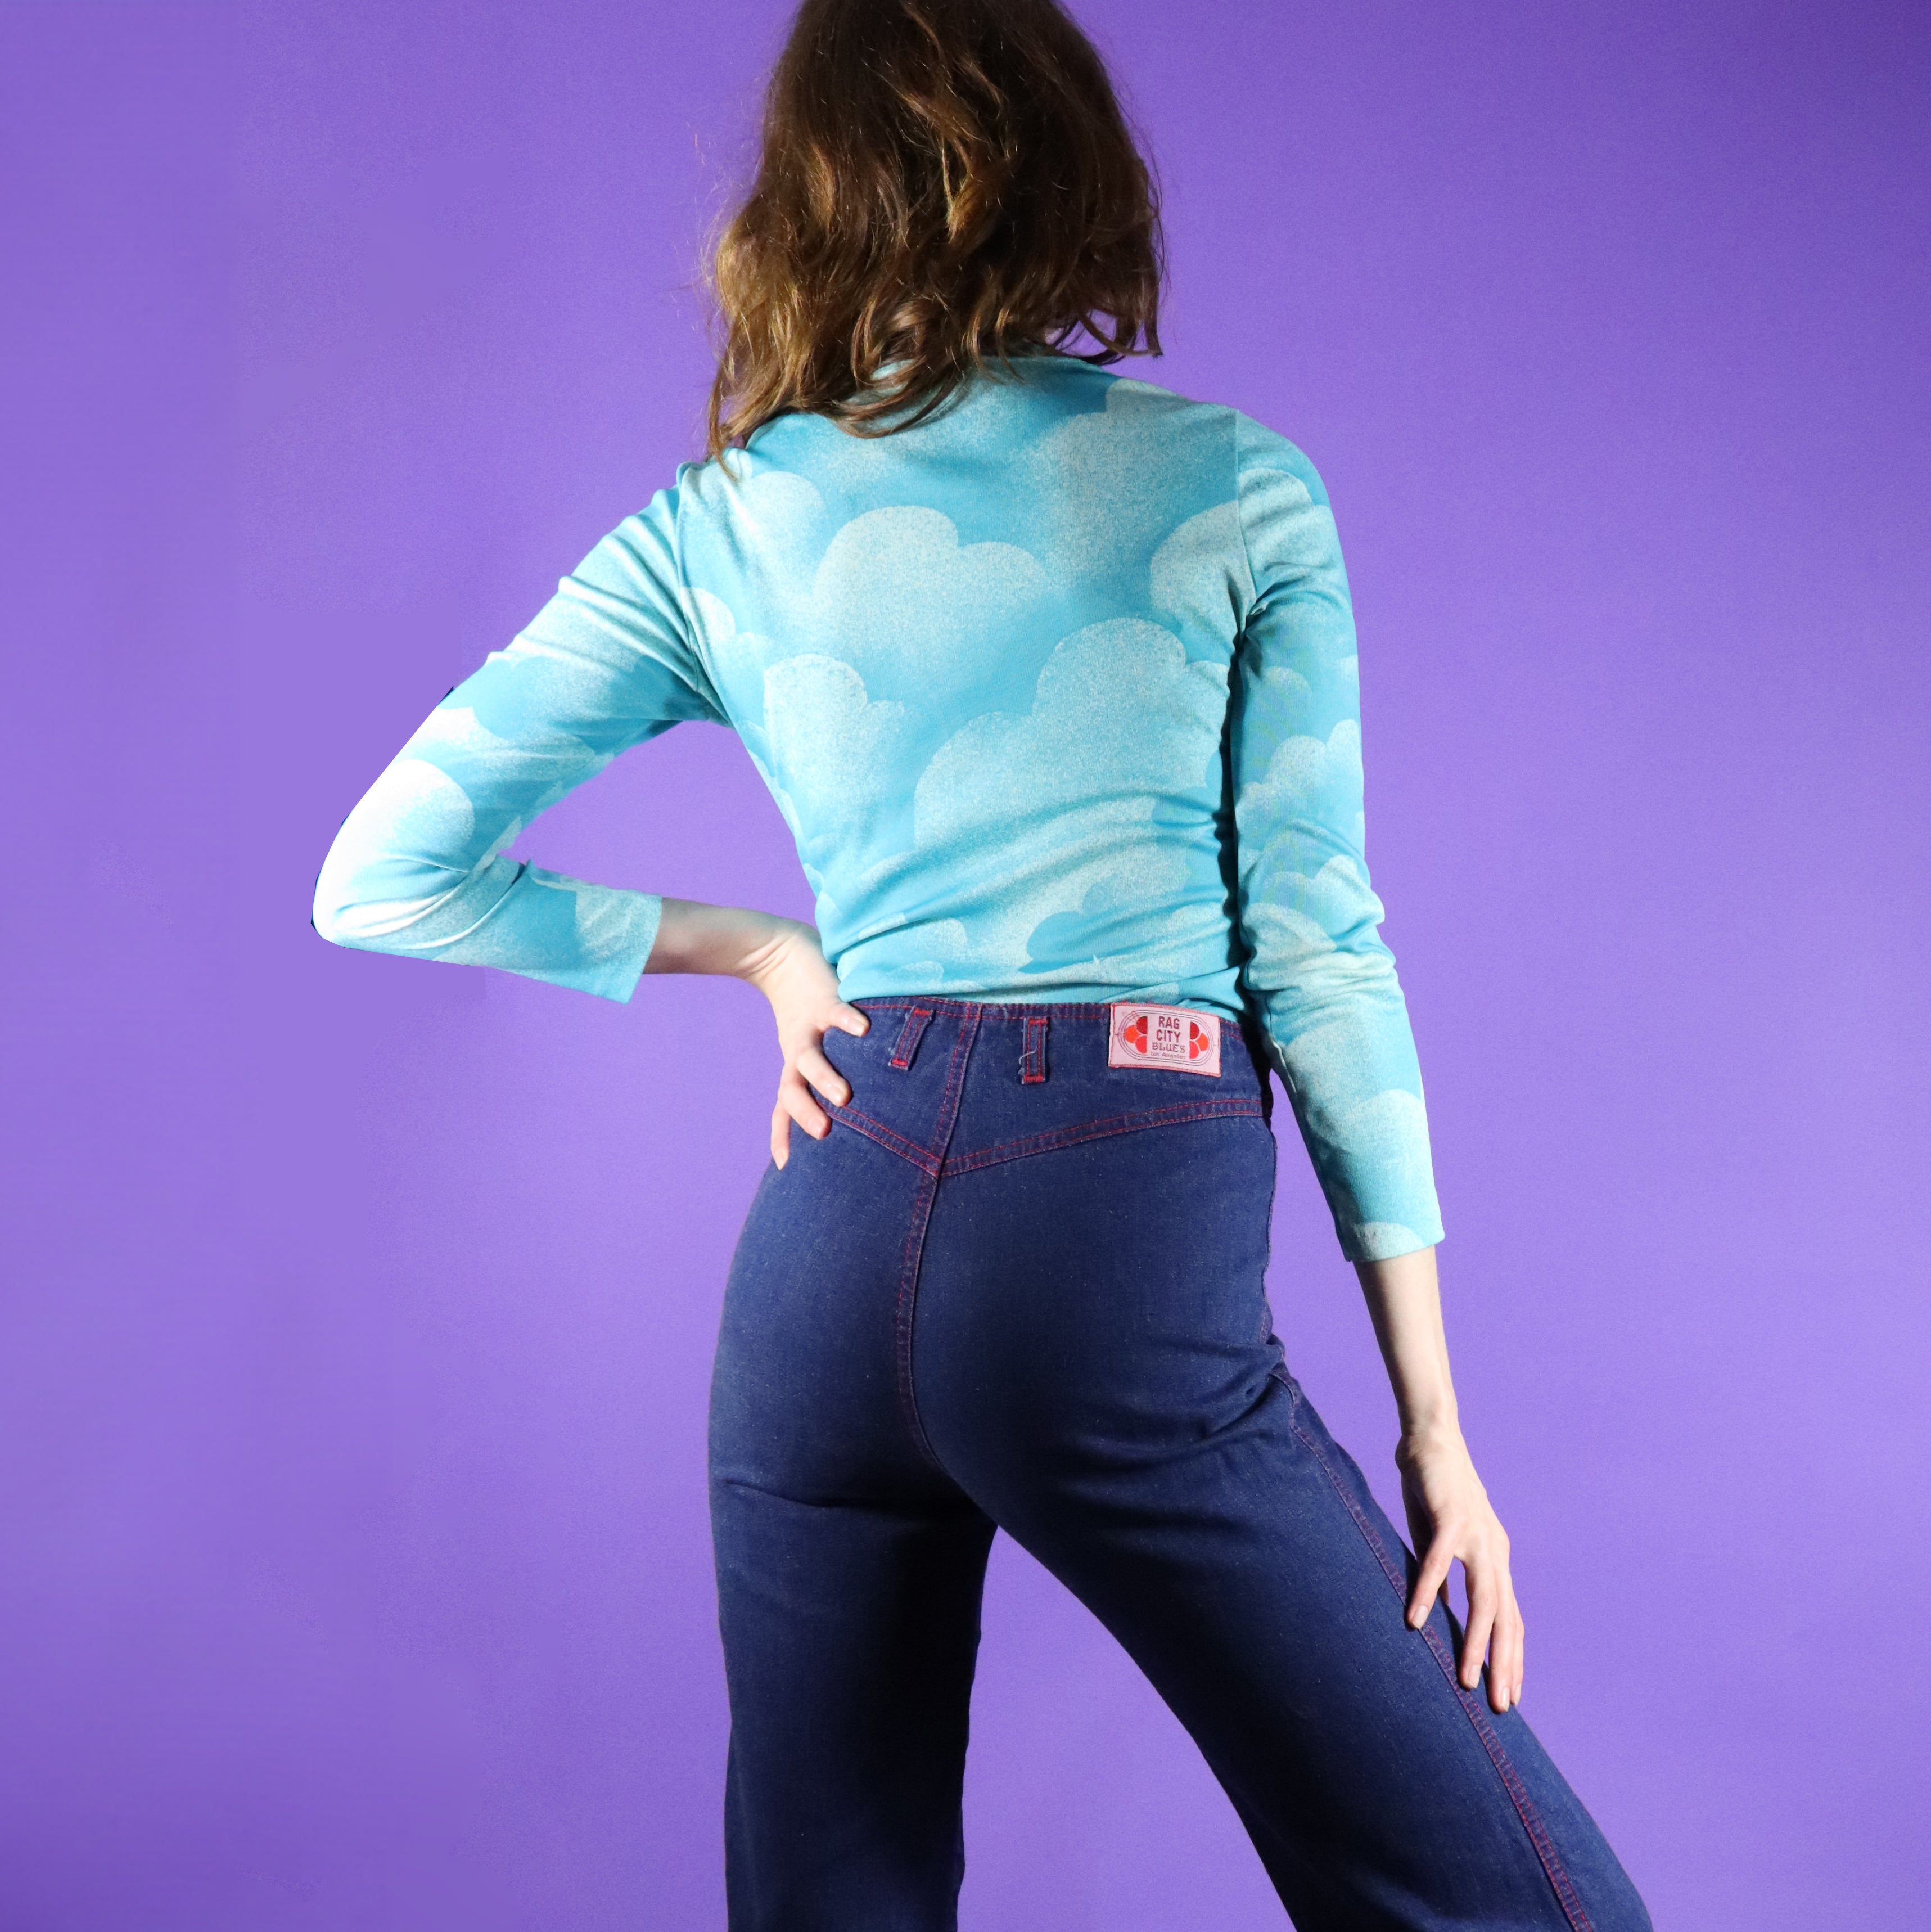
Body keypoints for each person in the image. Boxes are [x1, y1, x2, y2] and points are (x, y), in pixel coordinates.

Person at [311, 2, 1652, 1925]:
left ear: (803, 201)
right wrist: (1435, 1429)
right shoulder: (1237, 486)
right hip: (1111, 1229)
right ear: (1070, 171)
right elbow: (1318, 952)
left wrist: (763, 951)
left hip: (823, 1245)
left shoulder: (718, 523)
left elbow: (380, 874)